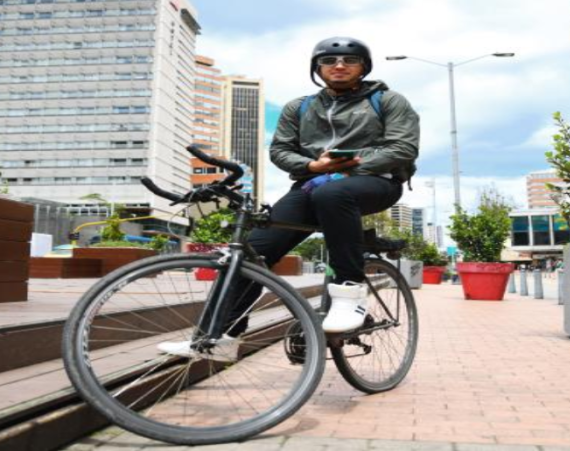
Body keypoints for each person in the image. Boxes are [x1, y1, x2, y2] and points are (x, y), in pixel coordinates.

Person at [159, 36, 420, 360]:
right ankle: (218, 338)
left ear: (363, 67)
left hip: (376, 182)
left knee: (333, 193)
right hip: (313, 185)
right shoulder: (300, 107)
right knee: (251, 252)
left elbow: (403, 148)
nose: (338, 66)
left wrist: (352, 165)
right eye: (329, 61)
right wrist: (312, 165)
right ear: (317, 68)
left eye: (349, 60)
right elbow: (280, 150)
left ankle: (350, 294)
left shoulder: (388, 100)